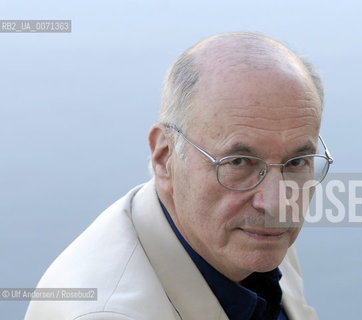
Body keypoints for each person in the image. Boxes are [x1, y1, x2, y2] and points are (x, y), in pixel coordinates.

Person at [25, 32, 333, 320]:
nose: (277, 204)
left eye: (297, 161)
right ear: (165, 157)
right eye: (239, 161)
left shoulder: (247, 231)